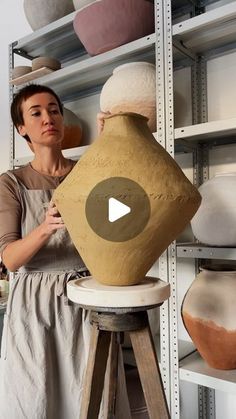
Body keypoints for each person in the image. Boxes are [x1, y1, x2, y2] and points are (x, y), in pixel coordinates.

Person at [0, 84, 130, 418]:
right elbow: (10, 258)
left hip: (87, 296)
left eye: (54, 109)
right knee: (37, 396)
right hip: (35, 306)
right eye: (37, 112)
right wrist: (45, 227)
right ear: (21, 129)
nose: (49, 118)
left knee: (94, 396)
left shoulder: (85, 173)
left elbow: (120, 219)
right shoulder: (11, 183)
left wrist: (110, 147)